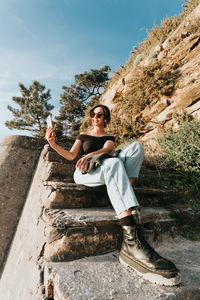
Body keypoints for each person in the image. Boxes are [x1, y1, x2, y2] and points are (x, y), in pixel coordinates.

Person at [46, 104, 181, 286]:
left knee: (136, 147)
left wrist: (91, 154)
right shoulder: (83, 135)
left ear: (106, 119)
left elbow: (107, 150)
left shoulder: (108, 137)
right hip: (86, 171)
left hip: (106, 164)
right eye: (93, 114)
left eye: (100, 115)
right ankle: (131, 240)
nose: (95, 117)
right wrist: (53, 144)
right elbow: (71, 156)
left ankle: (122, 191)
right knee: (115, 164)